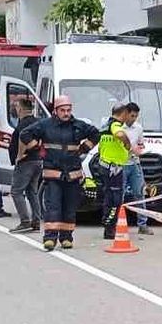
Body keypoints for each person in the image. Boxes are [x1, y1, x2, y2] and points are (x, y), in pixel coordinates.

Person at [17, 94, 100, 251]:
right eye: (63, 110)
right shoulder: (45, 125)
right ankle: (50, 238)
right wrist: (36, 148)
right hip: (53, 174)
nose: (66, 113)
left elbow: (96, 134)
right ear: (55, 110)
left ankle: (66, 238)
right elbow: (25, 134)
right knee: (53, 206)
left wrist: (84, 148)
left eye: (68, 110)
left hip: (73, 174)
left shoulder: (78, 126)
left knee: (69, 207)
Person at [95, 102, 133, 240]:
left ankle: (108, 226)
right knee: (115, 200)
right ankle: (110, 228)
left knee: (108, 197)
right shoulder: (114, 125)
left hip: (105, 166)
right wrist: (127, 143)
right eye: (127, 114)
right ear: (123, 114)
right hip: (113, 169)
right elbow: (120, 134)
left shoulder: (104, 126)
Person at [8, 96, 43, 234]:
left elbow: (23, 138)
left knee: (16, 191)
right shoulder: (37, 122)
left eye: (16, 106)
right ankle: (36, 221)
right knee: (31, 191)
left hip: (26, 161)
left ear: (21, 108)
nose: (15, 109)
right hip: (37, 160)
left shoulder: (23, 124)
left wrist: (19, 155)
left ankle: (25, 221)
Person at [121, 102, 153, 236]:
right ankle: (117, 224)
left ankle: (143, 224)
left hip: (134, 164)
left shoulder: (138, 128)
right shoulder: (118, 127)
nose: (134, 119)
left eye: (136, 116)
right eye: (132, 116)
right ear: (126, 114)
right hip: (121, 164)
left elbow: (141, 144)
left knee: (139, 193)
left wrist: (140, 150)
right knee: (119, 195)